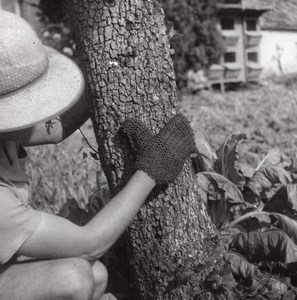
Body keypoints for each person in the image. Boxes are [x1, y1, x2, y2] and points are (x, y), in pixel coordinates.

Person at [0, 10, 197, 300]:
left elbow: (53, 128)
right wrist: (152, 169)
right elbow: (89, 243)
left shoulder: (5, 138)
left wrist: (111, 69)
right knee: (72, 278)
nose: (45, 112)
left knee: (95, 275)